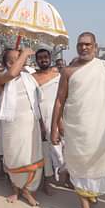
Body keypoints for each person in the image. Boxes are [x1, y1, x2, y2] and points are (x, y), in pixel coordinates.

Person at [51, 32, 105, 208]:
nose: (83, 48)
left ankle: (91, 193)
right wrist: (54, 127)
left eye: (87, 44)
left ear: (95, 47)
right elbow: (60, 100)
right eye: (80, 45)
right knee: (78, 167)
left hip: (101, 130)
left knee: (101, 165)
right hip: (77, 130)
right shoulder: (68, 71)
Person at [0, 48, 43, 206]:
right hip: (12, 125)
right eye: (18, 58)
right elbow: (12, 74)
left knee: (31, 156)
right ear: (9, 63)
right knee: (14, 157)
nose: (24, 60)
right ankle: (15, 190)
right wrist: (25, 53)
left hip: (31, 124)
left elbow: (37, 102)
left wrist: (40, 122)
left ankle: (28, 190)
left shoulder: (29, 77)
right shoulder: (1, 77)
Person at [32, 49, 61, 196]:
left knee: (58, 152)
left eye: (45, 57)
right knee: (42, 153)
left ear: (50, 58)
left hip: (56, 119)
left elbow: (63, 100)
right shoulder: (31, 78)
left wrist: (59, 122)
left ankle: (65, 178)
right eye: (40, 58)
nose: (43, 60)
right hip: (37, 119)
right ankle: (45, 182)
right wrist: (40, 122)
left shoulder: (59, 77)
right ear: (36, 60)